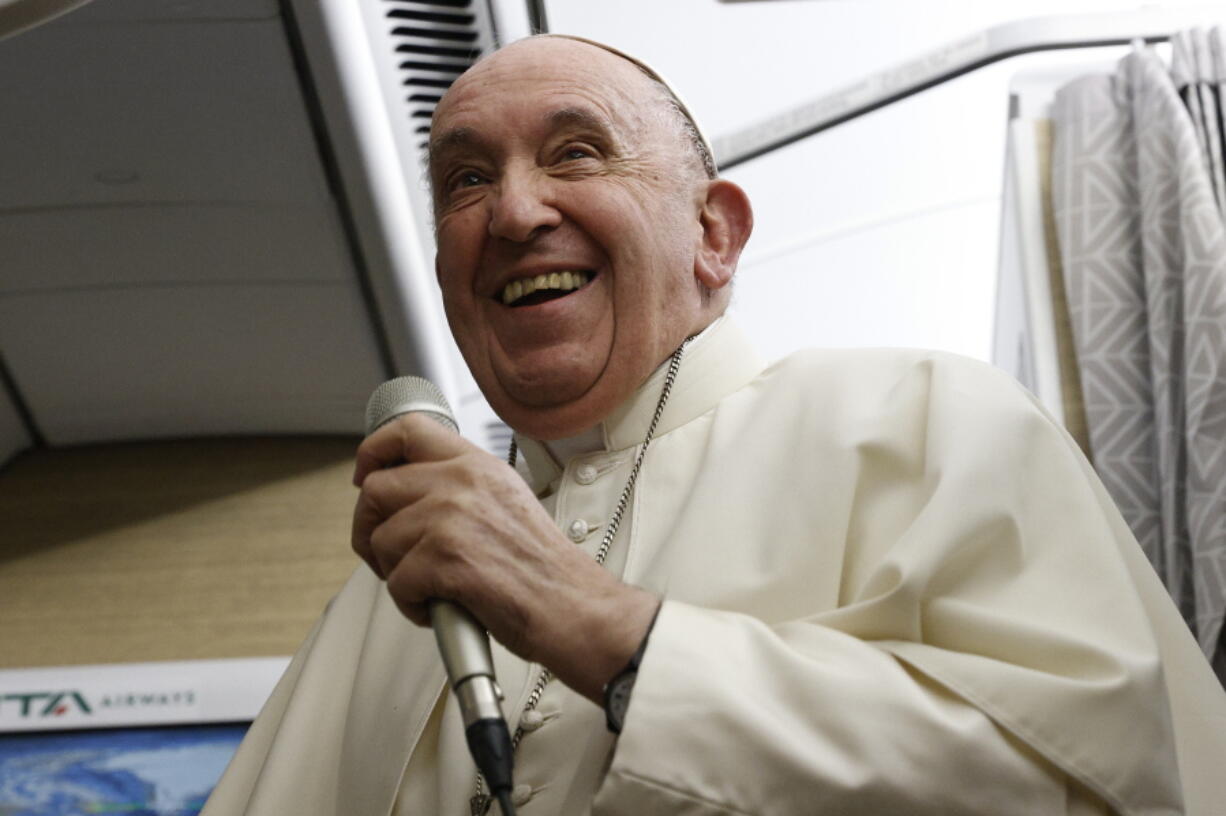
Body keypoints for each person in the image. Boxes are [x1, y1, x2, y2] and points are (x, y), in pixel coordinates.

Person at [202, 34, 1226, 816]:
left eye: (574, 154)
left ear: (713, 233)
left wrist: (602, 629)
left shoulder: (919, 421)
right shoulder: (379, 604)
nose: (512, 214)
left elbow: (1102, 778)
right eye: (465, 179)